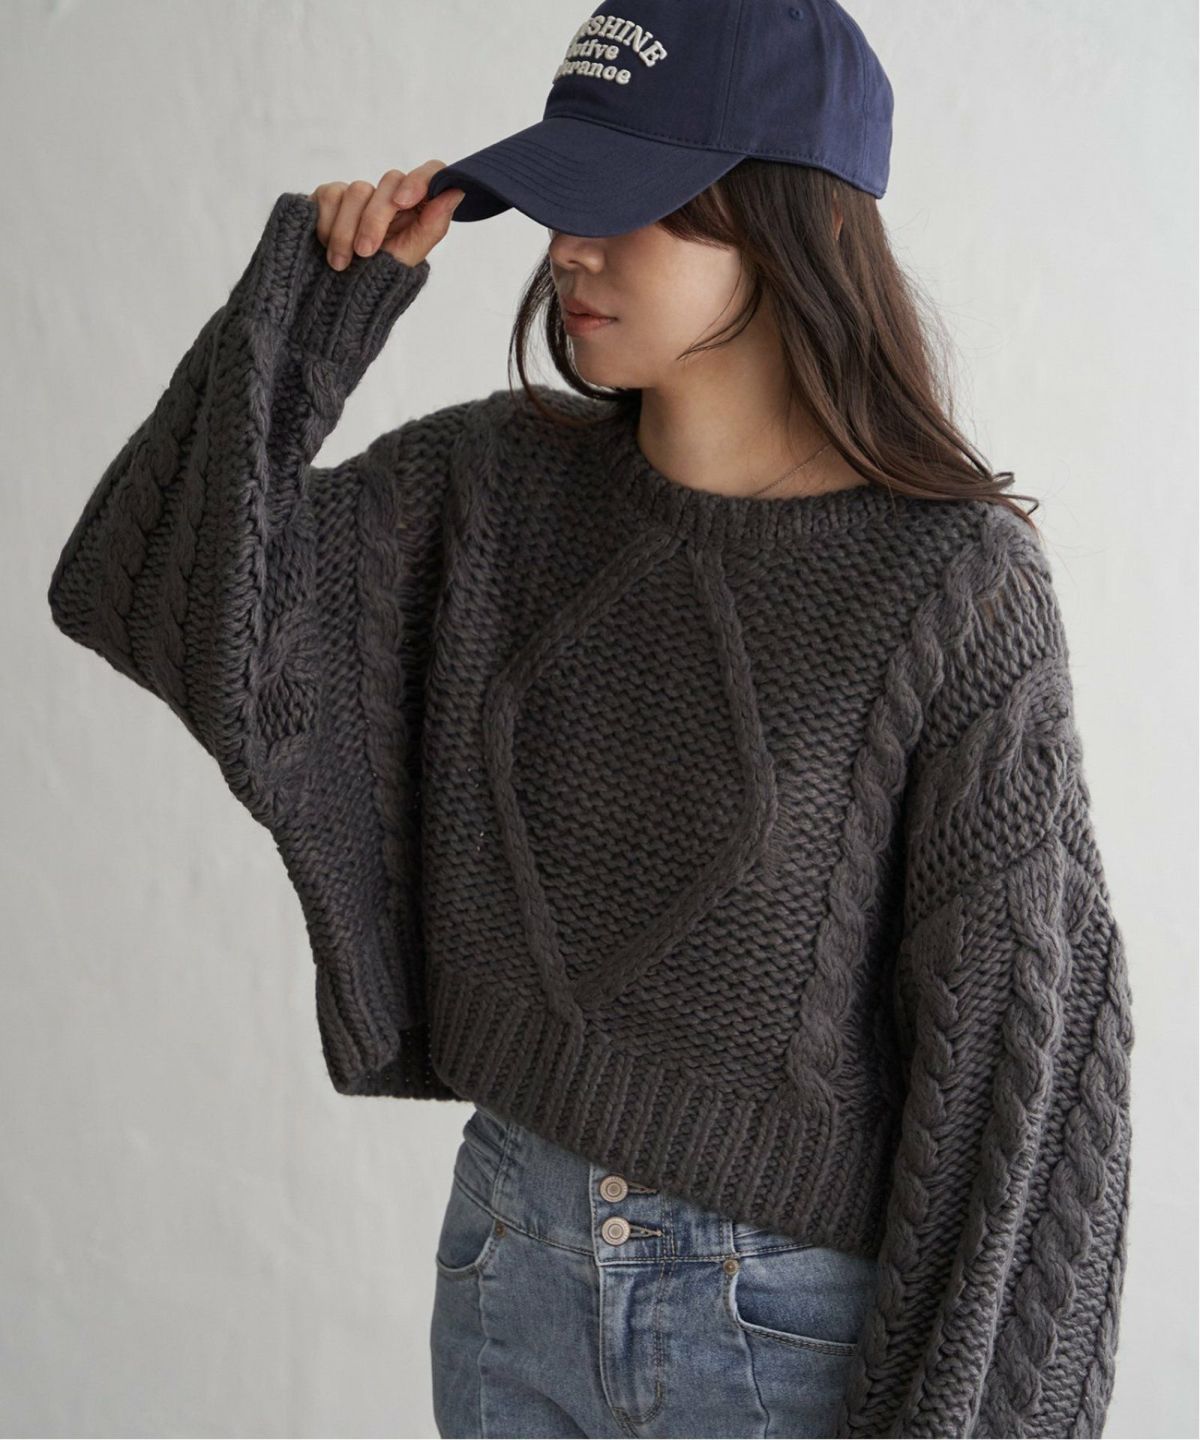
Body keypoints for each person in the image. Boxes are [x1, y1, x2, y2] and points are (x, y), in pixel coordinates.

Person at [47, 2, 1134, 1437]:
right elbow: (150, 588)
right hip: (508, 1263)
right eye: (565, 197)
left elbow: (1022, 1059)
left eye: (636, 204)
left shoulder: (950, 585)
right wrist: (312, 314)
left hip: (779, 1325)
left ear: (797, 223)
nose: (571, 245)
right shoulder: (489, 489)